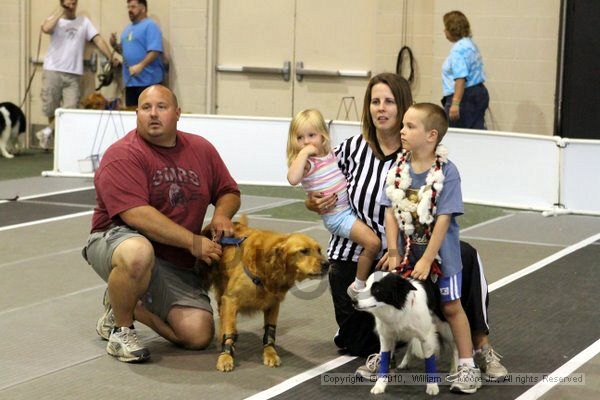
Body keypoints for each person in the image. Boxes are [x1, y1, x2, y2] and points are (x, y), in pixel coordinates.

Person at [306, 73, 507, 381]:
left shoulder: (419, 156)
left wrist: (399, 250)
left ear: (402, 108)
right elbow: (317, 183)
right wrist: (313, 202)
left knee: (464, 255)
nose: (381, 109)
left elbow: (436, 214)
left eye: (388, 101)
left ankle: (480, 347)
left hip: (402, 253)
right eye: (375, 101)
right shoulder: (349, 150)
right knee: (355, 343)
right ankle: (419, 336)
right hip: (355, 256)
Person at [82, 84, 241, 363]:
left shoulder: (201, 149)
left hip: (174, 257)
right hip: (116, 240)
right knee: (137, 252)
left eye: (161, 107)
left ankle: (127, 304)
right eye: (145, 108)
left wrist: (221, 215)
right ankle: (121, 329)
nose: (153, 114)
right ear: (137, 113)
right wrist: (192, 242)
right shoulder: (122, 154)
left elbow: (228, 190)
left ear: (177, 113)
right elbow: (136, 215)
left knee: (197, 336)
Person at [382, 102, 480, 393]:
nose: (402, 130)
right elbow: (389, 212)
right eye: (404, 125)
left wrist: (426, 259)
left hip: (441, 257)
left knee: (451, 307)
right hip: (407, 255)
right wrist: (393, 251)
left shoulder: (447, 172)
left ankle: (467, 366)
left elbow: (443, 219)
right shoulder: (397, 168)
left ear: (431, 136)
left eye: (410, 126)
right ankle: (394, 358)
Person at [286, 109, 380, 296]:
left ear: (322, 136)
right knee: (373, 243)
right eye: (300, 137)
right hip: (338, 216)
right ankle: (358, 284)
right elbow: (292, 178)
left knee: (372, 242)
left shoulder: (330, 155)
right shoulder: (306, 163)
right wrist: (303, 153)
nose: (306, 141)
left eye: (311, 135)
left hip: (348, 211)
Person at [37, 0, 119, 149]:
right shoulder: (55, 20)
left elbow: (98, 39)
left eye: (74, 2)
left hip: (73, 74)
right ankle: (53, 138)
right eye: (68, 2)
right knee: (50, 108)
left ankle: (48, 132)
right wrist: (61, 11)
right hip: (53, 70)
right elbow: (46, 28)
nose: (72, 4)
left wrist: (110, 56)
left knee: (70, 109)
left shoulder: (84, 22)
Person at [110, 0, 165, 107]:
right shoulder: (127, 29)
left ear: (143, 8)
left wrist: (140, 65)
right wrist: (114, 45)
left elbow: (155, 51)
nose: (130, 10)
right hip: (131, 83)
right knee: (133, 117)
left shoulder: (150, 26)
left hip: (148, 83)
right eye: (128, 7)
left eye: (133, 7)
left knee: (148, 116)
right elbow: (124, 52)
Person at [441, 10, 489, 129]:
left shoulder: (458, 50)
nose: (444, 31)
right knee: (475, 132)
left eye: (445, 27)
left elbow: (460, 77)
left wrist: (455, 103)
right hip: (479, 93)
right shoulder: (470, 44)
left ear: (452, 30)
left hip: (465, 98)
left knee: (456, 134)